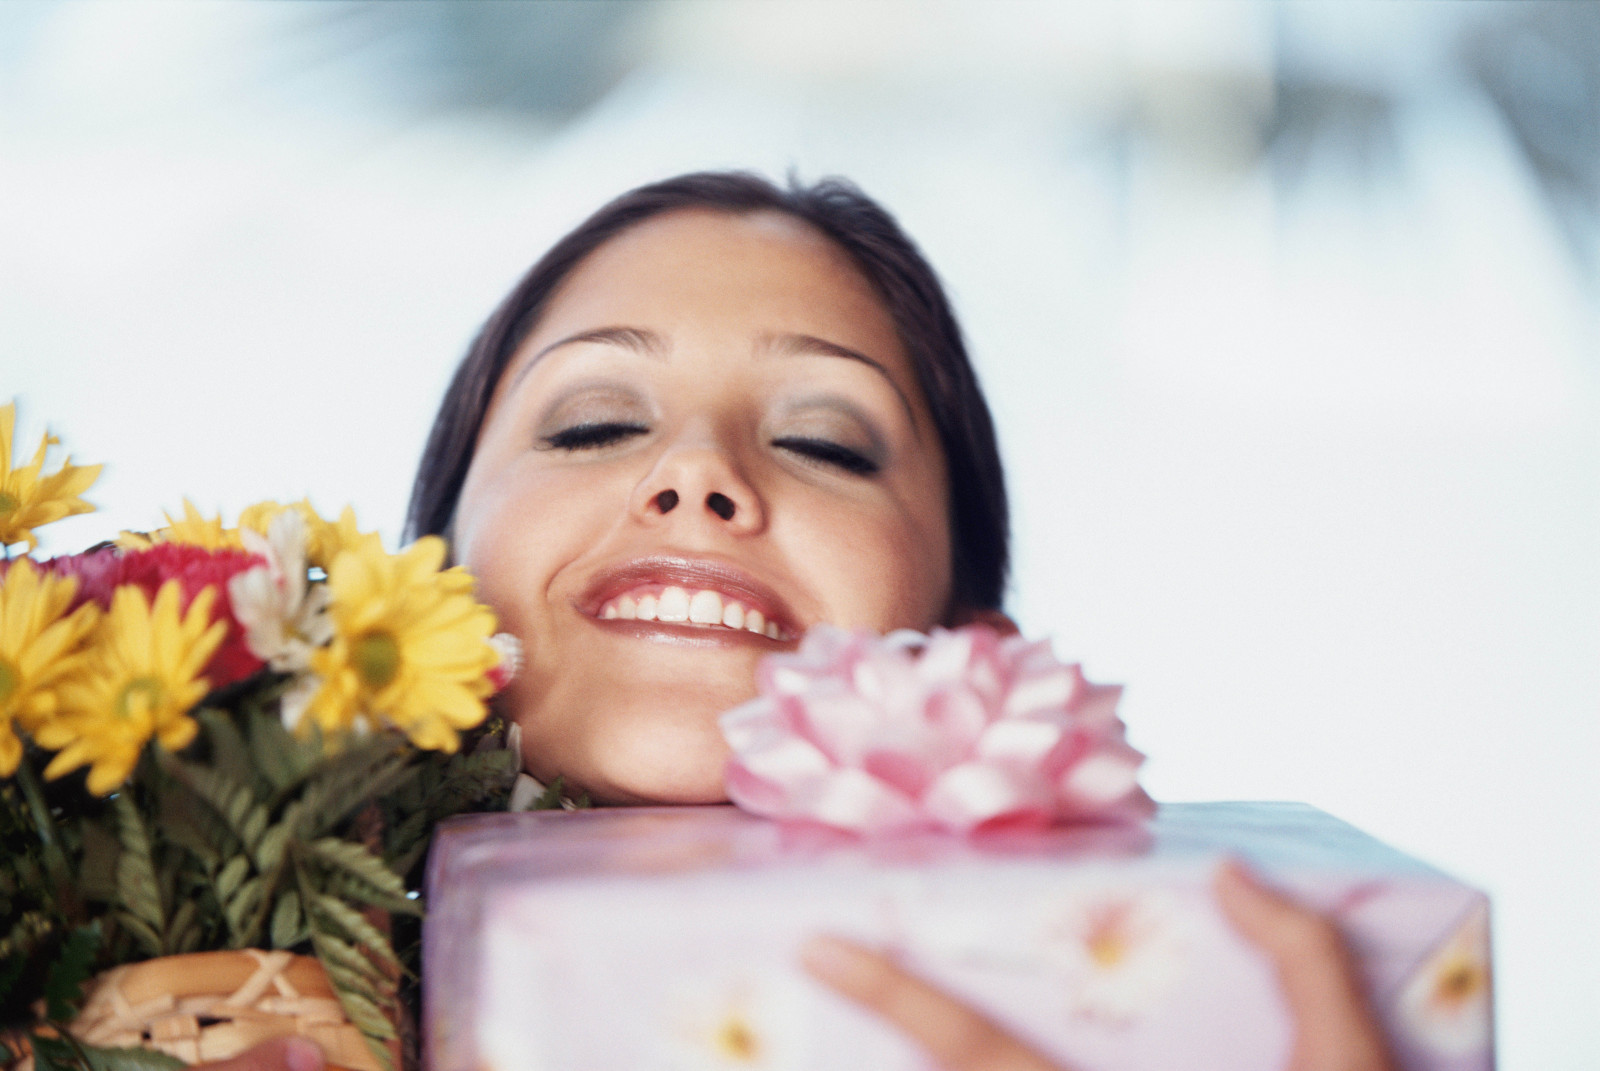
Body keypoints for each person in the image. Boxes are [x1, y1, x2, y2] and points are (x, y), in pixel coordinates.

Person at [217, 172, 1398, 1071]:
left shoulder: (1155, 991)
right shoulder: (129, 965)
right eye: (590, 424)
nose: (695, 472)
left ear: (968, 648)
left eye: (822, 440)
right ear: (419, 579)